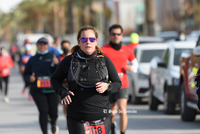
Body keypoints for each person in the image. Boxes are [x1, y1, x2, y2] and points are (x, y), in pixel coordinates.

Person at [50, 26, 121, 134]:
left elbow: (117, 83)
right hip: (77, 116)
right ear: (79, 41)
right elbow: (55, 79)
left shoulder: (104, 61)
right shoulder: (69, 60)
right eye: (84, 39)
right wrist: (63, 92)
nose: (88, 42)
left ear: (96, 41)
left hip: (102, 116)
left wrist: (107, 86)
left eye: (92, 39)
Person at [101, 24, 138, 134]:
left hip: (123, 84)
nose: (116, 36)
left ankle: (122, 132)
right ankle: (111, 127)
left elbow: (135, 64)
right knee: (111, 112)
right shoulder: (103, 50)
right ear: (109, 35)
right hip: (108, 85)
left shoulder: (127, 50)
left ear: (122, 35)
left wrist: (132, 68)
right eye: (113, 34)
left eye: (118, 34)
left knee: (122, 110)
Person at [24, 37, 60, 134]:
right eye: (40, 44)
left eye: (44, 44)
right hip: (37, 90)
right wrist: (29, 78)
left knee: (54, 113)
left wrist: (57, 64)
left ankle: (53, 123)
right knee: (43, 111)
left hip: (52, 90)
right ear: (37, 46)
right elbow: (26, 74)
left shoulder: (53, 56)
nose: (42, 46)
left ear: (47, 45)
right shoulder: (32, 59)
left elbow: (61, 72)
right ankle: (44, 132)